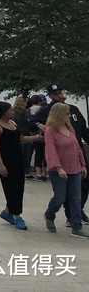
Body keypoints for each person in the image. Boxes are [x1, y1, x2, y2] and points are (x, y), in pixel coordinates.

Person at [38, 84, 89, 221]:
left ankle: (77, 211)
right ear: (50, 96)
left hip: (77, 152)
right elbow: (32, 122)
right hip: (60, 156)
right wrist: (39, 126)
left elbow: (84, 130)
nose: (59, 96)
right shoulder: (48, 111)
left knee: (83, 185)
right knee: (63, 193)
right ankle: (70, 216)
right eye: (55, 94)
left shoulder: (73, 110)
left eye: (60, 93)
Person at [0, 100, 42, 230]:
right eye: (10, 110)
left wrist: (36, 138)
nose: (13, 112)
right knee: (11, 189)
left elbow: (21, 139)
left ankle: (8, 212)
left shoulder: (13, 123)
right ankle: (18, 216)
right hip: (6, 161)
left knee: (19, 187)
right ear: (3, 112)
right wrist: (0, 165)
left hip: (18, 160)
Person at [43, 102, 87, 236]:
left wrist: (83, 164)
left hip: (75, 168)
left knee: (76, 198)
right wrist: (58, 168)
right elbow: (50, 150)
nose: (69, 116)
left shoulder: (70, 129)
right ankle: (50, 214)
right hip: (58, 170)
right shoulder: (50, 130)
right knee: (60, 197)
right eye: (67, 113)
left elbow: (77, 147)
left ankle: (76, 226)